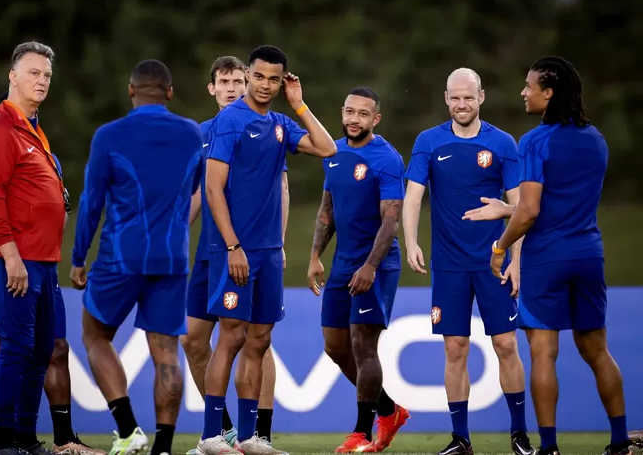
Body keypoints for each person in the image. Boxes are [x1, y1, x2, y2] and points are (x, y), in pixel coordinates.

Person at [471, 56, 632, 455]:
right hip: (589, 254)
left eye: (529, 86)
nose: (523, 92)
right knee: (598, 350)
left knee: (543, 352)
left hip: (547, 258)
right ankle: (619, 441)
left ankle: (549, 448)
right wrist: (509, 210)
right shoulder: (596, 138)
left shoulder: (534, 141)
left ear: (549, 93)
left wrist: (499, 245)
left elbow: (530, 211)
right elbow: (563, 203)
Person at [197, 45, 336, 455]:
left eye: (274, 79)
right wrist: (233, 246)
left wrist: (299, 105)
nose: (265, 85)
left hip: (269, 252)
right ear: (249, 75)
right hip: (235, 251)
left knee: (258, 340)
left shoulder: (279, 123)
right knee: (230, 337)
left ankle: (247, 437)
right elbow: (212, 188)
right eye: (259, 77)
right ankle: (209, 436)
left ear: (281, 82)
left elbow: (327, 148)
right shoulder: (230, 120)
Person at [69, 59, 203, 455]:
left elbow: (91, 201)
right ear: (170, 93)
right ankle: (163, 447)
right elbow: (193, 187)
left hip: (121, 257)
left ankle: (128, 430)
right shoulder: (192, 133)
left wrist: (79, 256)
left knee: (94, 335)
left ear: (131, 91)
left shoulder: (109, 135)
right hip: (172, 259)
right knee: (166, 352)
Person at [402, 68, 536, 455]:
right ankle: (461, 439)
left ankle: (519, 434)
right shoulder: (429, 141)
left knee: (506, 345)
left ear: (482, 97)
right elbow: (413, 198)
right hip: (448, 265)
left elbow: (520, 208)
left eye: (469, 97)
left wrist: (516, 260)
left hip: (493, 263)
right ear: (446, 99)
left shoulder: (503, 143)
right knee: (455, 347)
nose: (462, 104)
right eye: (455, 98)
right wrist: (411, 241)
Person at [0, 115, 104, 455]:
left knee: (54, 347)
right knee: (12, 349)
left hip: (43, 268)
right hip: (7, 268)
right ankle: (7, 439)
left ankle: (58, 439)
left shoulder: (48, 158)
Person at [181, 56, 288, 454]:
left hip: (251, 251)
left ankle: (258, 432)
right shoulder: (202, 134)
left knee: (255, 340)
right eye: (223, 81)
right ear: (211, 88)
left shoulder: (259, 127)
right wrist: (175, 237)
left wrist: (274, 247)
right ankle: (222, 430)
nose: (230, 87)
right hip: (210, 253)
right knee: (194, 340)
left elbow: (281, 189)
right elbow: (196, 194)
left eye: (237, 80)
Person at [0, 41, 68, 455]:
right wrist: (10, 255)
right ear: (13, 76)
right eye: (34, 72)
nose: (42, 80)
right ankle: (2, 441)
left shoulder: (32, 130)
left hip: (44, 260)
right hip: (17, 257)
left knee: (40, 351)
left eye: (47, 74)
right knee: (16, 348)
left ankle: (27, 439)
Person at [307, 87, 410, 453]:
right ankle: (389, 409)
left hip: (377, 266)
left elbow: (391, 220)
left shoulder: (387, 158)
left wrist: (369, 266)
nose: (354, 119)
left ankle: (362, 433)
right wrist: (315, 255)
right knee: (335, 347)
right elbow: (327, 210)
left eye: (363, 114)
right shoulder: (332, 151)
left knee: (363, 345)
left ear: (375, 119)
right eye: (349, 111)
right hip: (341, 265)